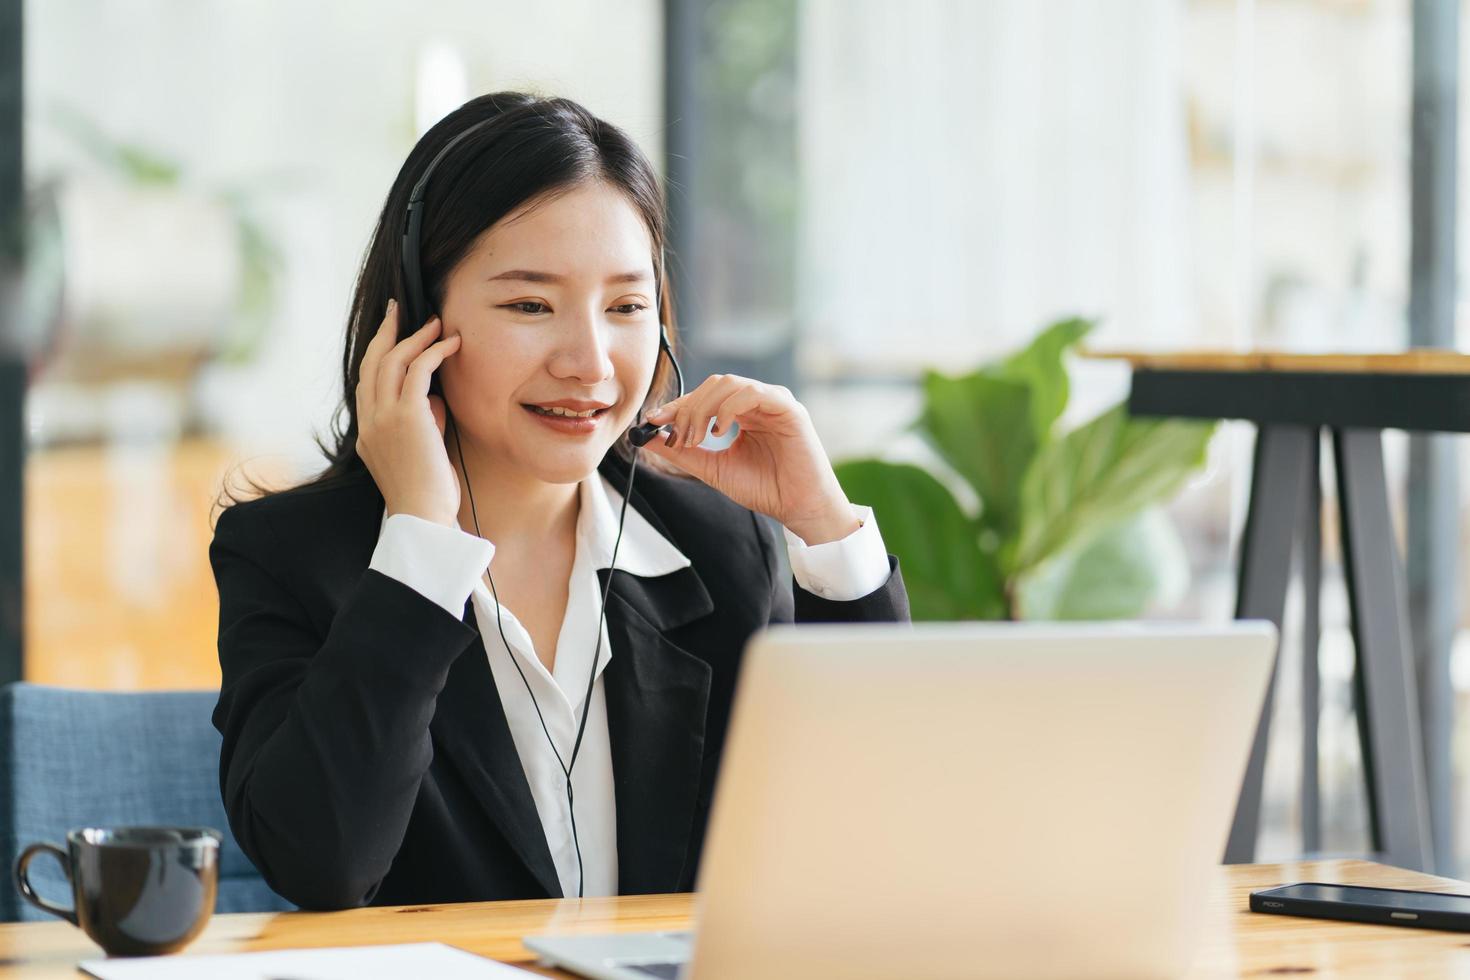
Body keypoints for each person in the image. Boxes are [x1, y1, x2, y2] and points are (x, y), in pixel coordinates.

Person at [209, 91, 909, 911]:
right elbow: (322, 863)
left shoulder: (723, 553)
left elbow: (873, 837)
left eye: (625, 307)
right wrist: (420, 547)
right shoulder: (292, 557)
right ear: (416, 322)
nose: (589, 361)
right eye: (530, 305)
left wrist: (822, 524)